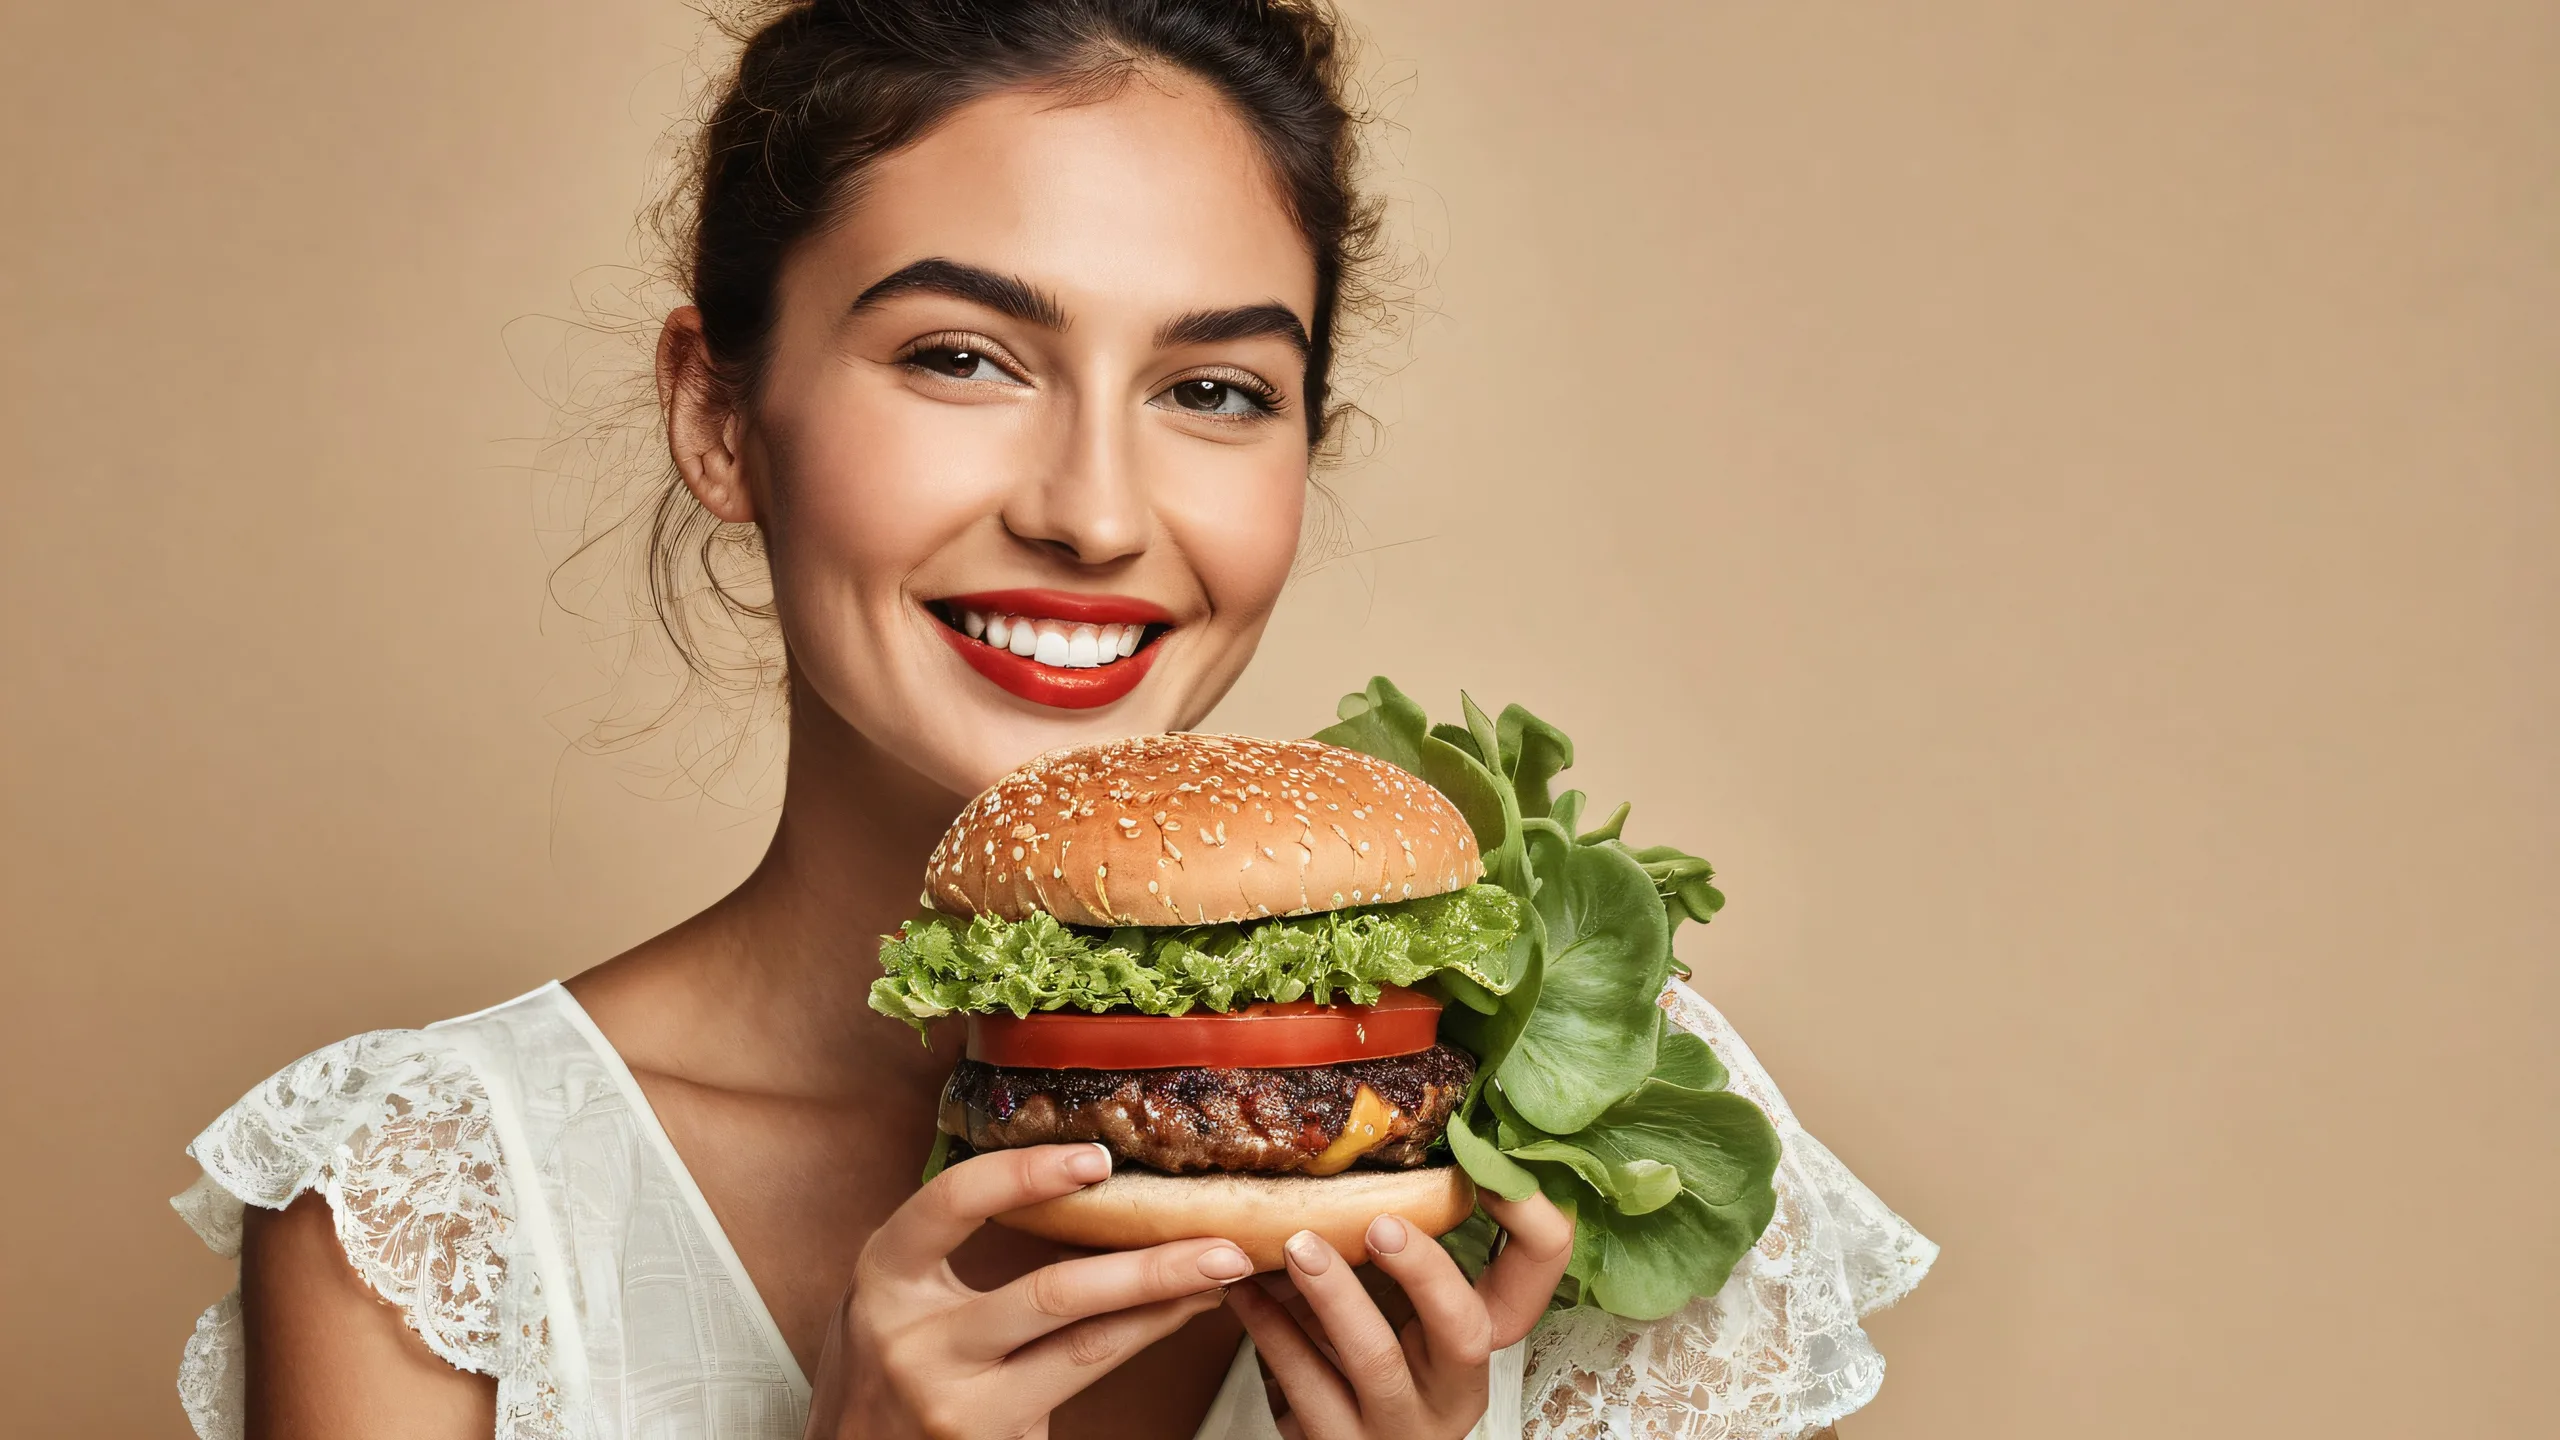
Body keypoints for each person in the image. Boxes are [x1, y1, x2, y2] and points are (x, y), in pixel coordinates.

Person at [170, 3, 1934, 1437]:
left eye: (1216, 389)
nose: (1094, 511)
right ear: (721, 418)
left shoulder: (1588, 1140)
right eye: (961, 356)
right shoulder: (426, 1210)